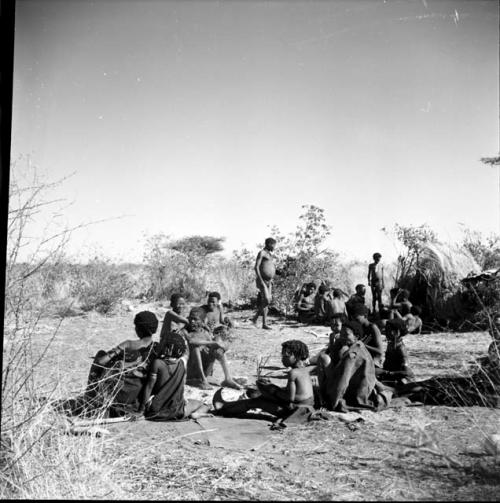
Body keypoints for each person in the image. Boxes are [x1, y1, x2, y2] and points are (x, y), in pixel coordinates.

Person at [83, 311, 160, 417]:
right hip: (136, 395)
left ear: (138, 328)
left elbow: (101, 362)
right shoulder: (157, 348)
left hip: (118, 394)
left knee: (100, 354)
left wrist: (113, 355)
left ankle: (89, 396)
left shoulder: (129, 344)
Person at [212, 339, 314, 419]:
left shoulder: (293, 373)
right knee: (260, 397)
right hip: (306, 409)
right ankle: (224, 406)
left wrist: (273, 390)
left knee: (256, 402)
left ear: (294, 356)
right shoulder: (304, 370)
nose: (282, 359)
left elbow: (290, 399)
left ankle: (222, 408)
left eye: (284, 356)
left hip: (295, 412)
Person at [320, 321, 392, 412]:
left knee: (323, 359)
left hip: (358, 394)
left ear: (356, 336)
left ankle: (322, 397)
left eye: (346, 334)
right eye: (341, 334)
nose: (342, 337)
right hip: (365, 388)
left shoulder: (352, 354)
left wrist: (334, 402)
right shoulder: (359, 345)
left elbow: (343, 381)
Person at [141, 332, 211, 420]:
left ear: (166, 348)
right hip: (178, 411)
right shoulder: (183, 363)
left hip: (157, 410)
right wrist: (184, 337)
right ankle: (197, 414)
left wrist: (141, 410)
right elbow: (186, 351)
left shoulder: (157, 363)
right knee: (203, 404)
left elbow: (149, 387)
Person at [181, 307, 240, 390]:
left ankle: (227, 378)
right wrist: (213, 343)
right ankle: (203, 380)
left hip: (206, 369)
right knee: (196, 348)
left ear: (202, 321)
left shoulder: (204, 331)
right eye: (190, 319)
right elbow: (191, 341)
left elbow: (219, 345)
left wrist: (220, 347)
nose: (192, 322)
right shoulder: (185, 331)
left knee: (217, 347)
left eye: (195, 319)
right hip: (191, 372)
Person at [377, 318, 414, 387]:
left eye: (388, 330)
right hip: (390, 377)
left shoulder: (401, 349)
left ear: (397, 332)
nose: (385, 332)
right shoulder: (391, 344)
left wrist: (387, 373)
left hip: (400, 382)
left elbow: (407, 372)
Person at [252, 237, 277, 330]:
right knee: (266, 299)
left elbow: (271, 268)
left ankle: (263, 323)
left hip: (269, 281)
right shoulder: (262, 253)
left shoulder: (270, 255)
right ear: (269, 244)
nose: (274, 247)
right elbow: (256, 267)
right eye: (274, 245)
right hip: (262, 280)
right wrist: (261, 280)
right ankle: (255, 319)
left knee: (267, 302)